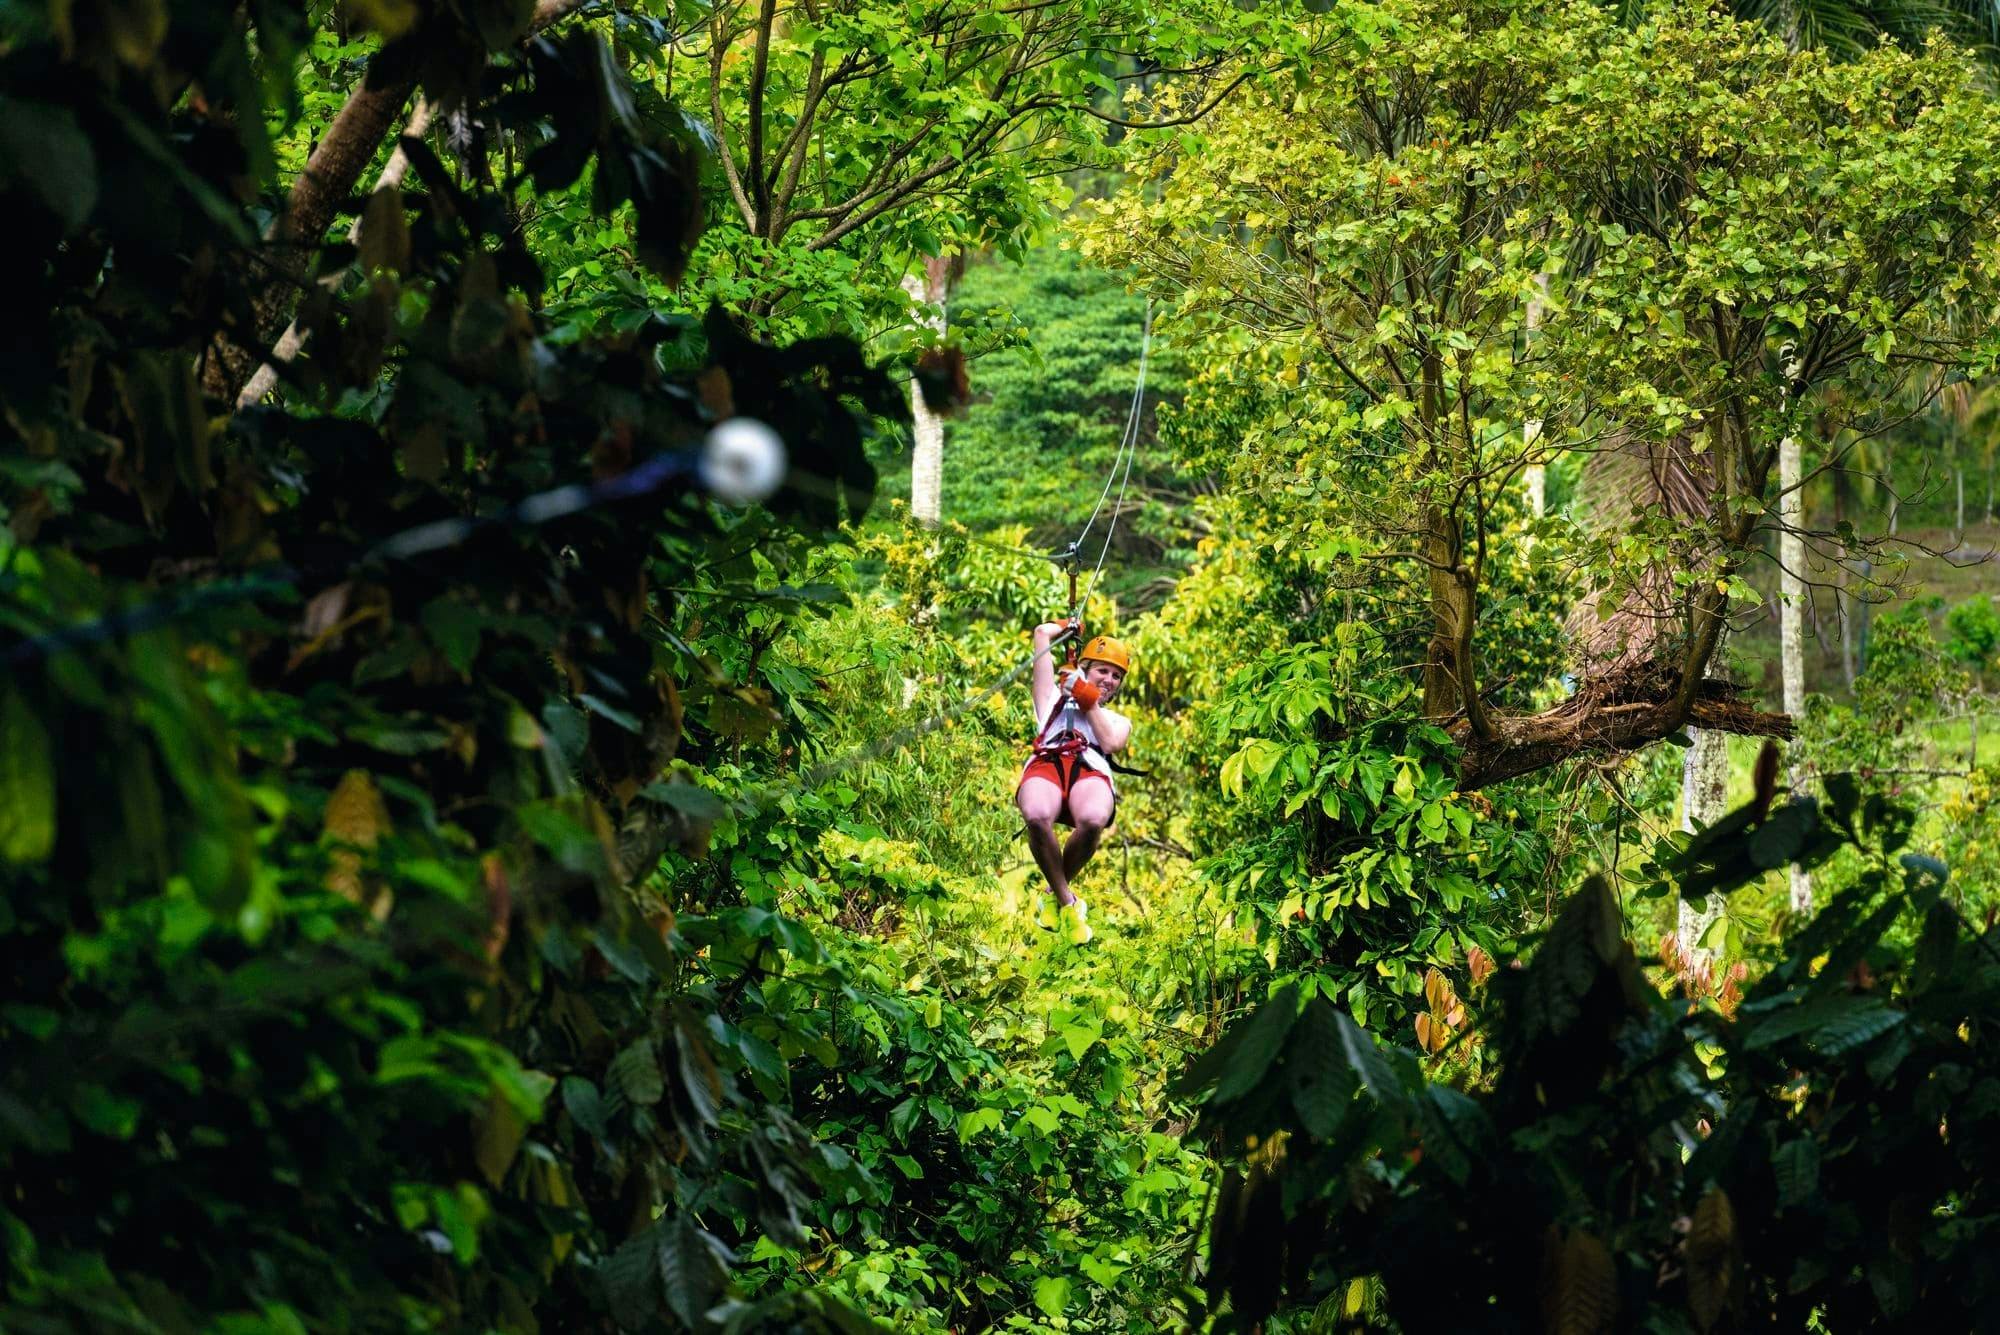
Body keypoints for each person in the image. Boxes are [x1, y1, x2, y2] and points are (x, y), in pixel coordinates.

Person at [1016, 621, 1133, 944]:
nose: (1109, 680)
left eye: (1116, 676)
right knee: (1037, 816)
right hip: (1049, 761)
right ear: (1084, 669)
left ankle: (1053, 893)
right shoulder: (1051, 697)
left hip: (1089, 768)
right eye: (1102, 672)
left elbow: (1109, 743)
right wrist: (1064, 627)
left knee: (1094, 819)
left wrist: (1088, 698)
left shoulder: (1118, 720)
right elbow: (1040, 635)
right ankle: (1067, 901)